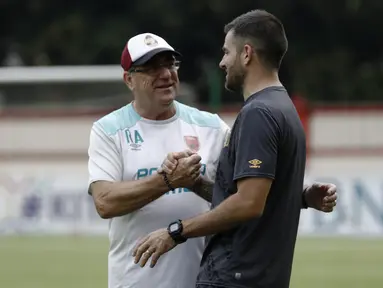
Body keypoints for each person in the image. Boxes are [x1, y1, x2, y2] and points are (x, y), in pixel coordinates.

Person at [88, 32, 336, 288]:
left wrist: (303, 197)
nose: (165, 74)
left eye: (170, 64)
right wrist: (166, 181)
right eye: (151, 67)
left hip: (202, 281)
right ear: (129, 79)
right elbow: (105, 203)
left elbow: (242, 193)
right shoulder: (109, 130)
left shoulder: (210, 126)